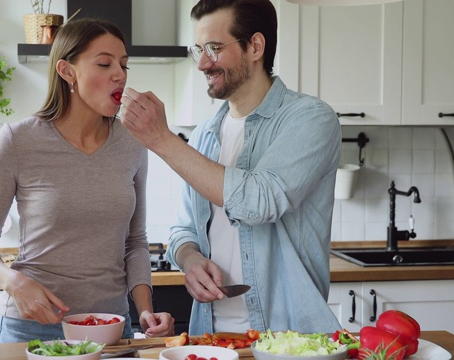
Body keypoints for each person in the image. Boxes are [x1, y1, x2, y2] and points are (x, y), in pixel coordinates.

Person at [119, 0, 342, 335]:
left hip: (289, 339)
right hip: (211, 334)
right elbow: (183, 231)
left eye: (214, 48)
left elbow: (258, 201)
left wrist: (162, 139)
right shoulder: (204, 135)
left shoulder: (310, 119)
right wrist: (191, 260)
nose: (202, 63)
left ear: (255, 46)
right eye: (199, 49)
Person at [0, 18, 175, 343]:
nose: (119, 74)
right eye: (104, 64)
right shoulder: (17, 141)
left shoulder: (132, 142)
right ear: (67, 71)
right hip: (32, 329)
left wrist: (145, 310)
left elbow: (134, 241)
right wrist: (13, 281)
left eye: (123, 65)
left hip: (110, 329)